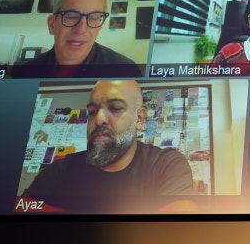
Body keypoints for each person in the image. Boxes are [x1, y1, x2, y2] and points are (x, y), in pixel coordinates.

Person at [22, 80, 195, 197]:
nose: (98, 119)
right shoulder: (60, 171)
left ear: (140, 119)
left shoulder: (166, 165)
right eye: (92, 111)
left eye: (115, 108)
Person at [12, 0, 142, 79]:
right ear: (52, 24)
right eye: (71, 16)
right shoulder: (23, 73)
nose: (81, 29)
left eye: (93, 17)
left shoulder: (125, 71)